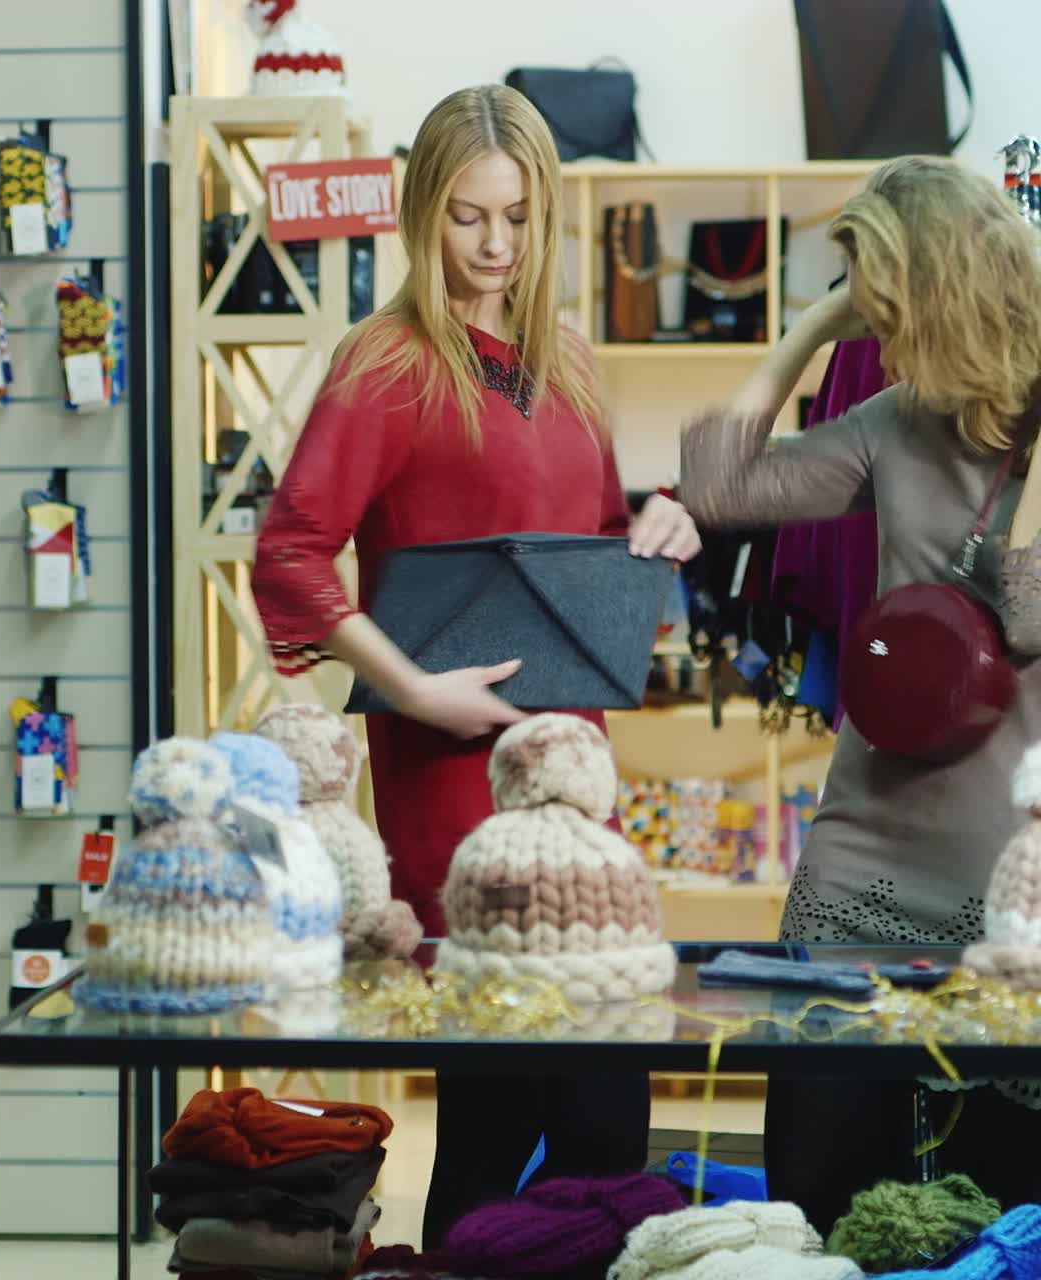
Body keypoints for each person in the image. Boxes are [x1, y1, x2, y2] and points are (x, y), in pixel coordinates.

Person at [251, 83, 699, 1246]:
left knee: (608, 1109)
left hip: (572, 774)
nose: (494, 247)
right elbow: (290, 553)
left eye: (515, 217)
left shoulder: (571, 360)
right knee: (496, 1106)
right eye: (465, 217)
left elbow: (590, 540)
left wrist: (659, 533)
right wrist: (406, 686)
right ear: (418, 215)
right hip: (448, 769)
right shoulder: (386, 362)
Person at [678, 155, 1041, 1235]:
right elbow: (718, 486)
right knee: (814, 1190)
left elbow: (1022, 607)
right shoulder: (892, 417)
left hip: (1012, 885)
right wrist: (811, 326)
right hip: (862, 858)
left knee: (997, 1215)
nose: (884, 338)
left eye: (891, 308)